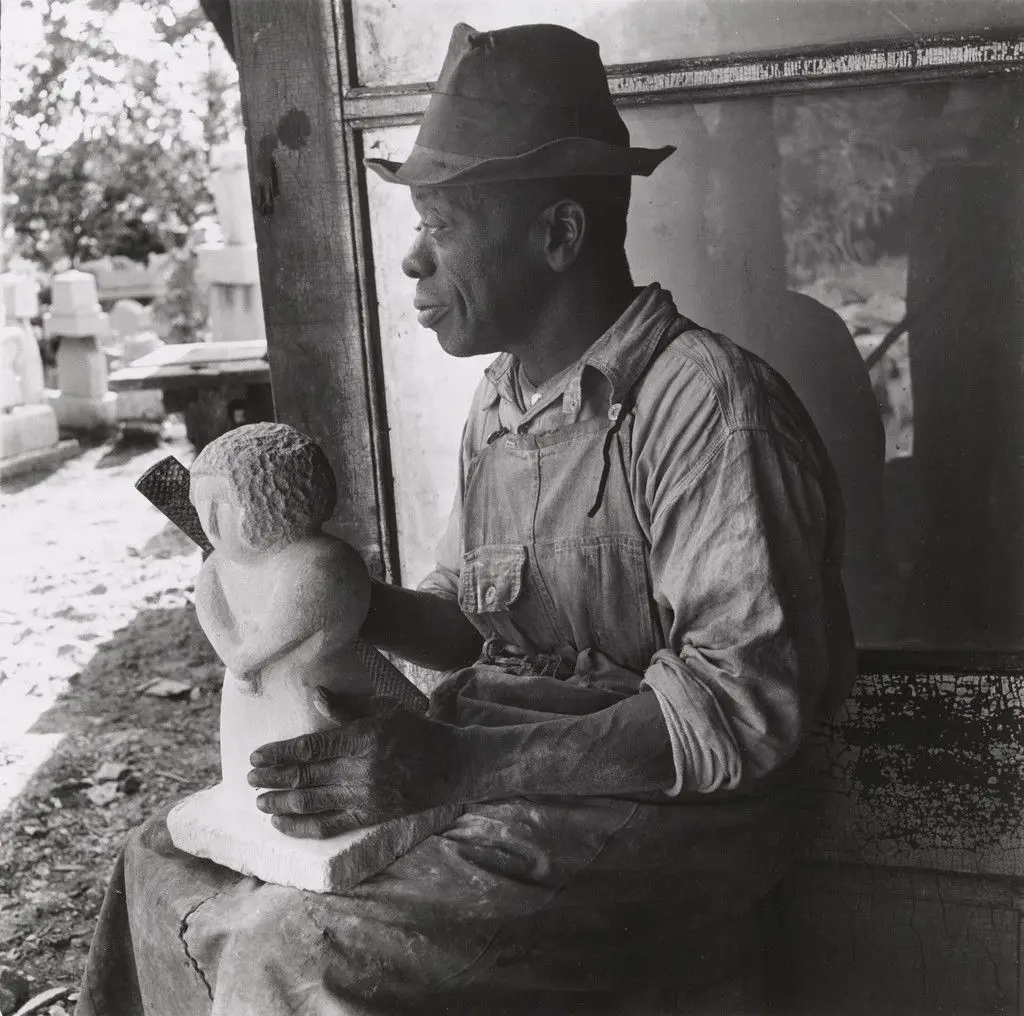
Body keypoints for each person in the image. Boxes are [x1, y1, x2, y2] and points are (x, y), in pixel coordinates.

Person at [77, 22, 855, 1016]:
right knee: (160, 860)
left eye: (441, 224)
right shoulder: (501, 403)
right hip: (505, 765)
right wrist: (328, 595)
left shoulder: (705, 405)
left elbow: (742, 707)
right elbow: (470, 617)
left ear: (558, 235)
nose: (410, 260)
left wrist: (457, 764)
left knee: (299, 948)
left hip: (674, 818)